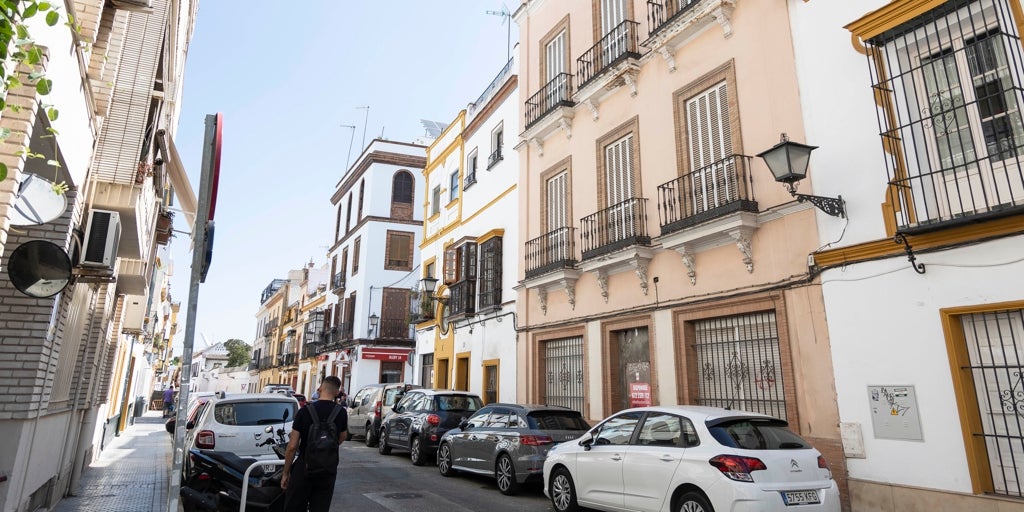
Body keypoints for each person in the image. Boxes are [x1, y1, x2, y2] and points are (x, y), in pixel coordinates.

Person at [281, 376, 347, 512]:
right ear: (337, 392)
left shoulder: (304, 411)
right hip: (327, 470)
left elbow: (292, 446)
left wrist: (286, 473)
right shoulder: (341, 412)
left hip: (304, 468)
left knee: (294, 507)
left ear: (320, 388)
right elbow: (342, 437)